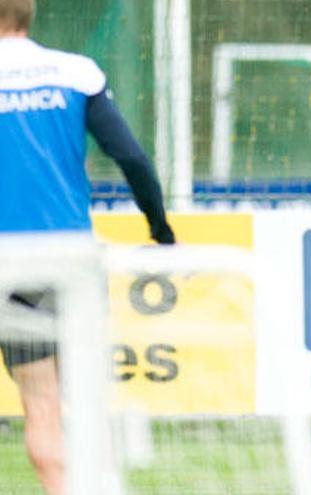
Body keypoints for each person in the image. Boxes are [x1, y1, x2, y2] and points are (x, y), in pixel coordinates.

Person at [0, 0, 175, 493]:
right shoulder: (74, 73)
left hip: (8, 262)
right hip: (70, 259)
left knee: (40, 402)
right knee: (90, 396)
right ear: (29, 14)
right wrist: (160, 230)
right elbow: (132, 158)